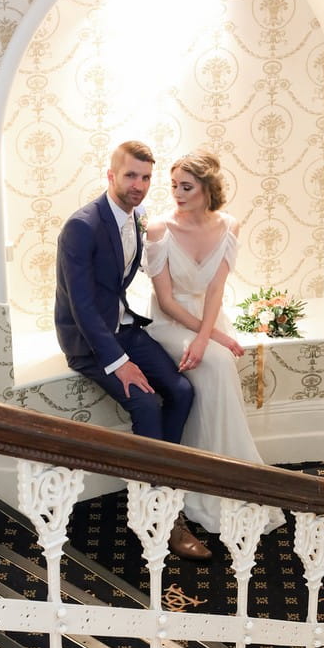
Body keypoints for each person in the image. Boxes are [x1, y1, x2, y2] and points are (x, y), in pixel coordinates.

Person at [54, 140, 211, 560]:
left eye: (145, 177)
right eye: (130, 176)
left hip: (124, 325)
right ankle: (157, 513)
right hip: (91, 342)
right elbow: (82, 307)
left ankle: (164, 485)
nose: (138, 185)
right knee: (145, 404)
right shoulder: (82, 225)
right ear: (111, 175)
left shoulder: (138, 218)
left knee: (181, 391)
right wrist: (119, 362)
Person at [144, 150, 285, 534]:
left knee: (218, 364)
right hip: (169, 325)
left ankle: (232, 479)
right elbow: (168, 302)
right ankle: (207, 481)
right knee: (220, 362)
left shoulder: (228, 226)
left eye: (186, 187)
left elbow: (216, 290)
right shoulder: (158, 230)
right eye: (174, 185)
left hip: (207, 321)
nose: (177, 193)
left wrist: (209, 336)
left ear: (208, 189)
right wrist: (213, 338)